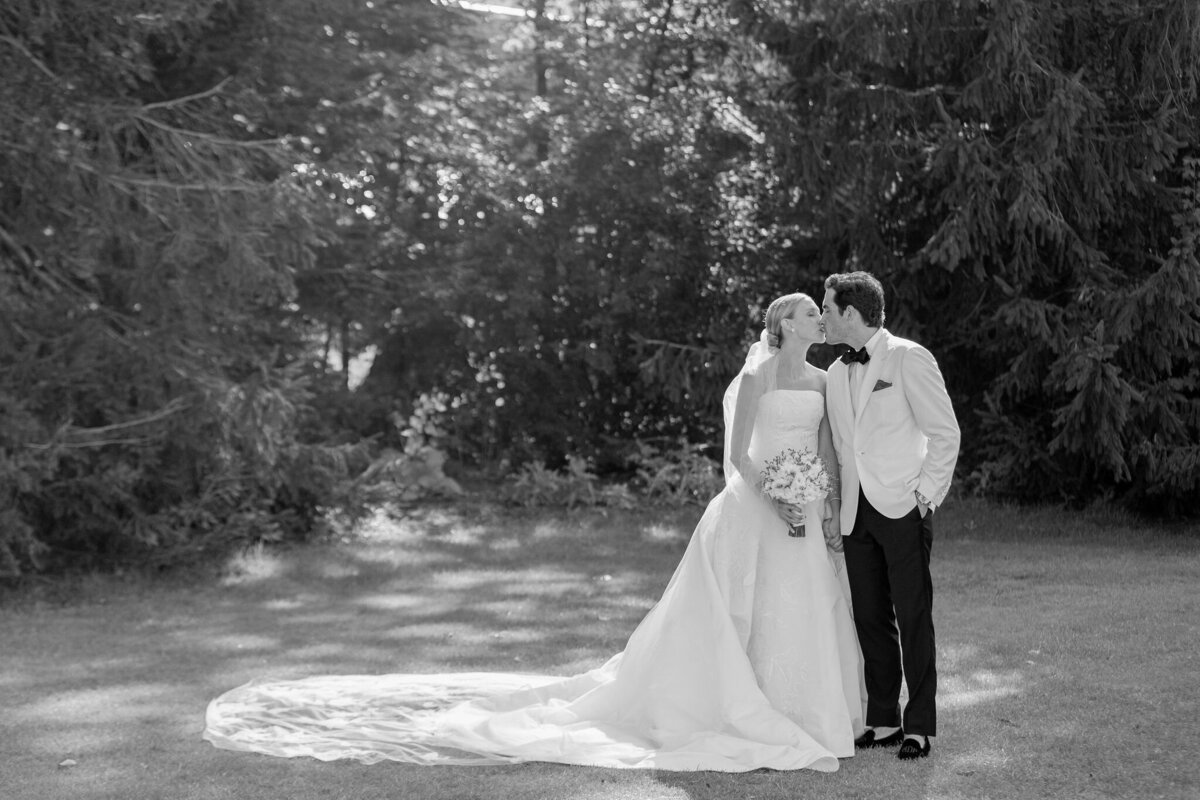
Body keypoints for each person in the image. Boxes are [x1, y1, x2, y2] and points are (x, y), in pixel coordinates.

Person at [204, 292, 865, 772]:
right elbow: (738, 455)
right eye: (808, 310)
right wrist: (774, 496)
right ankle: (737, 708)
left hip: (803, 513)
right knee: (740, 613)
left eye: (818, 311)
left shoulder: (820, 377)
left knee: (801, 612)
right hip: (755, 508)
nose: (817, 317)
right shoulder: (757, 376)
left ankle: (804, 711)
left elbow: (826, 448)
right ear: (782, 323)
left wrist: (818, 500)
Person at [819, 271, 960, 761]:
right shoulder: (836, 373)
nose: (822, 316)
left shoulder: (908, 358)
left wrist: (926, 495)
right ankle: (883, 719)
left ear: (851, 315)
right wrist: (835, 506)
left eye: (828, 308)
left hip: (903, 506)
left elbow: (945, 432)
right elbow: (841, 447)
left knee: (914, 614)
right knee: (871, 618)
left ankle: (919, 725)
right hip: (856, 513)